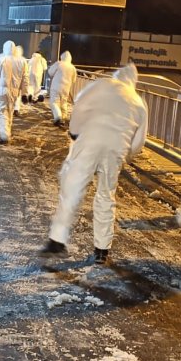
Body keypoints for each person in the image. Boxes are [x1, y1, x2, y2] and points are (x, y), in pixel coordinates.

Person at [45, 63, 148, 264]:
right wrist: (125, 155)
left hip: (90, 141)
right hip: (116, 149)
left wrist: (74, 131)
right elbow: (139, 141)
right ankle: (102, 249)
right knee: (105, 195)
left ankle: (57, 239)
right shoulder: (138, 101)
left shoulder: (102, 84)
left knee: (73, 186)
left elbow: (81, 104)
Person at [0, 40, 27, 143]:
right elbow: (25, 79)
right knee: (10, 111)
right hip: (14, 91)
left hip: (2, 89)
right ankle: (7, 131)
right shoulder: (22, 62)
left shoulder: (1, 60)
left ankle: (4, 135)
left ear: (4, 49)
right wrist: (24, 93)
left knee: (2, 112)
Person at [46, 51, 76, 126]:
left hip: (56, 87)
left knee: (54, 102)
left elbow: (50, 72)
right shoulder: (72, 67)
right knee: (63, 102)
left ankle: (58, 117)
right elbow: (74, 79)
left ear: (62, 57)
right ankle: (64, 117)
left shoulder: (59, 63)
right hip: (66, 88)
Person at [13, 44, 29, 115]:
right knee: (17, 96)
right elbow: (25, 75)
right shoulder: (23, 61)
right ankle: (16, 109)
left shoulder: (9, 59)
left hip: (9, 82)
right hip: (18, 82)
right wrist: (24, 92)